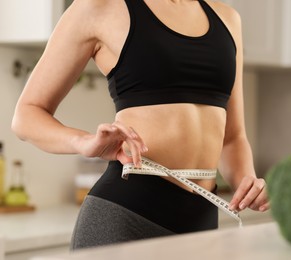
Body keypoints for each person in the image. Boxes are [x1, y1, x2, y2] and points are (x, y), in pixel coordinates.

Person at [12, 0, 269, 250]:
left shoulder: (227, 19)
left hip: (201, 223)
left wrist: (247, 185)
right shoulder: (98, 7)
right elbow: (27, 114)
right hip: (126, 217)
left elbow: (232, 137)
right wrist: (84, 142)